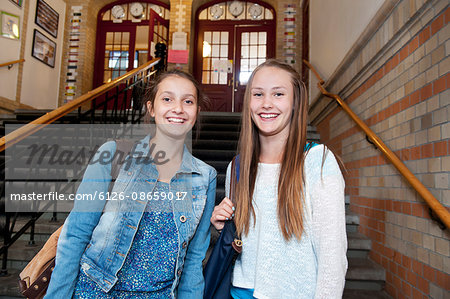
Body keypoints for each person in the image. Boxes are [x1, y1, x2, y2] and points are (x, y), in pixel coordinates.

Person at [45, 70, 217, 298]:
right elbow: (76, 234)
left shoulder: (204, 177)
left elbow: (194, 260)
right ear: (151, 108)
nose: (178, 108)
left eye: (188, 101)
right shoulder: (113, 155)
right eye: (167, 99)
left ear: (196, 111)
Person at [211, 59, 347, 299]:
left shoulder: (318, 161)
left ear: (295, 102)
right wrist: (222, 227)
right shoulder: (236, 167)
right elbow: (245, 244)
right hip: (238, 293)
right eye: (258, 94)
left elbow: (332, 259)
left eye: (278, 94)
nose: (266, 104)